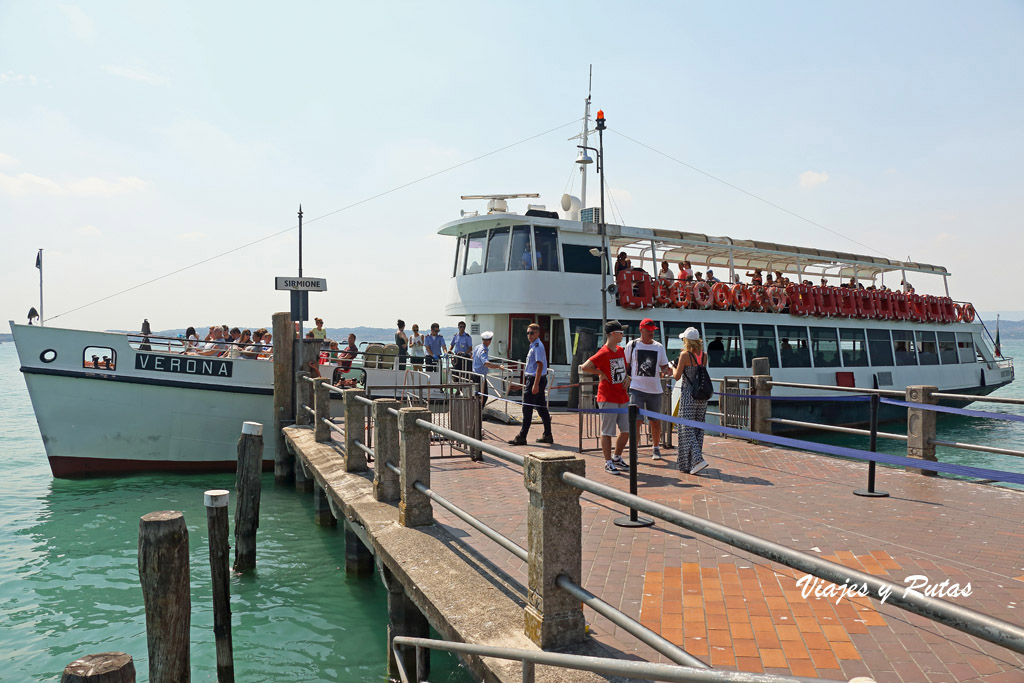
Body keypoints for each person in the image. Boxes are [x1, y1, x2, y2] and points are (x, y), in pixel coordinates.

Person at [579, 320, 631, 474]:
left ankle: (617, 457)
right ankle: (608, 462)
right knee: (607, 431)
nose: (622, 334)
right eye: (620, 332)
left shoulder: (620, 350)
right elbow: (585, 366)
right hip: (607, 396)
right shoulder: (603, 352)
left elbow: (623, 369)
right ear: (613, 334)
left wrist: (627, 377)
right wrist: (600, 373)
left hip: (622, 396)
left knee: (626, 430)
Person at [624, 318, 672, 461]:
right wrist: (627, 378)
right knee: (636, 421)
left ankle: (656, 448)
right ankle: (635, 451)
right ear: (641, 330)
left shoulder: (659, 347)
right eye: (648, 330)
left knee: (655, 421)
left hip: (655, 390)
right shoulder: (632, 345)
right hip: (636, 388)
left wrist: (667, 369)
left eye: (653, 330)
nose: (651, 333)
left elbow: (664, 365)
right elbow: (625, 364)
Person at [673, 328, 710, 475]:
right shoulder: (704, 355)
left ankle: (697, 460)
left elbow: (677, 376)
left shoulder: (685, 355)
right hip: (702, 396)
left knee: (685, 428)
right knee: (697, 428)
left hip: (689, 395)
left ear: (686, 341)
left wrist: (672, 366)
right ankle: (690, 463)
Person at [508, 323, 553, 445]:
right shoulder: (533, 345)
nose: (529, 335)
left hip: (535, 379)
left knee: (527, 408)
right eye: (527, 333)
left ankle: (522, 436)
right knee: (541, 408)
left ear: (538, 334)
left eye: (531, 333)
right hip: (534, 379)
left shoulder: (538, 346)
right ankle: (548, 434)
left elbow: (540, 366)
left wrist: (535, 384)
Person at [472, 331, 503, 408]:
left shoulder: (477, 347)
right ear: (489, 341)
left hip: (475, 374)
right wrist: (498, 366)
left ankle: (477, 411)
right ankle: (478, 412)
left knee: (478, 395)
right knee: (483, 396)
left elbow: (472, 357)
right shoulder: (484, 350)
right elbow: (486, 364)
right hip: (480, 377)